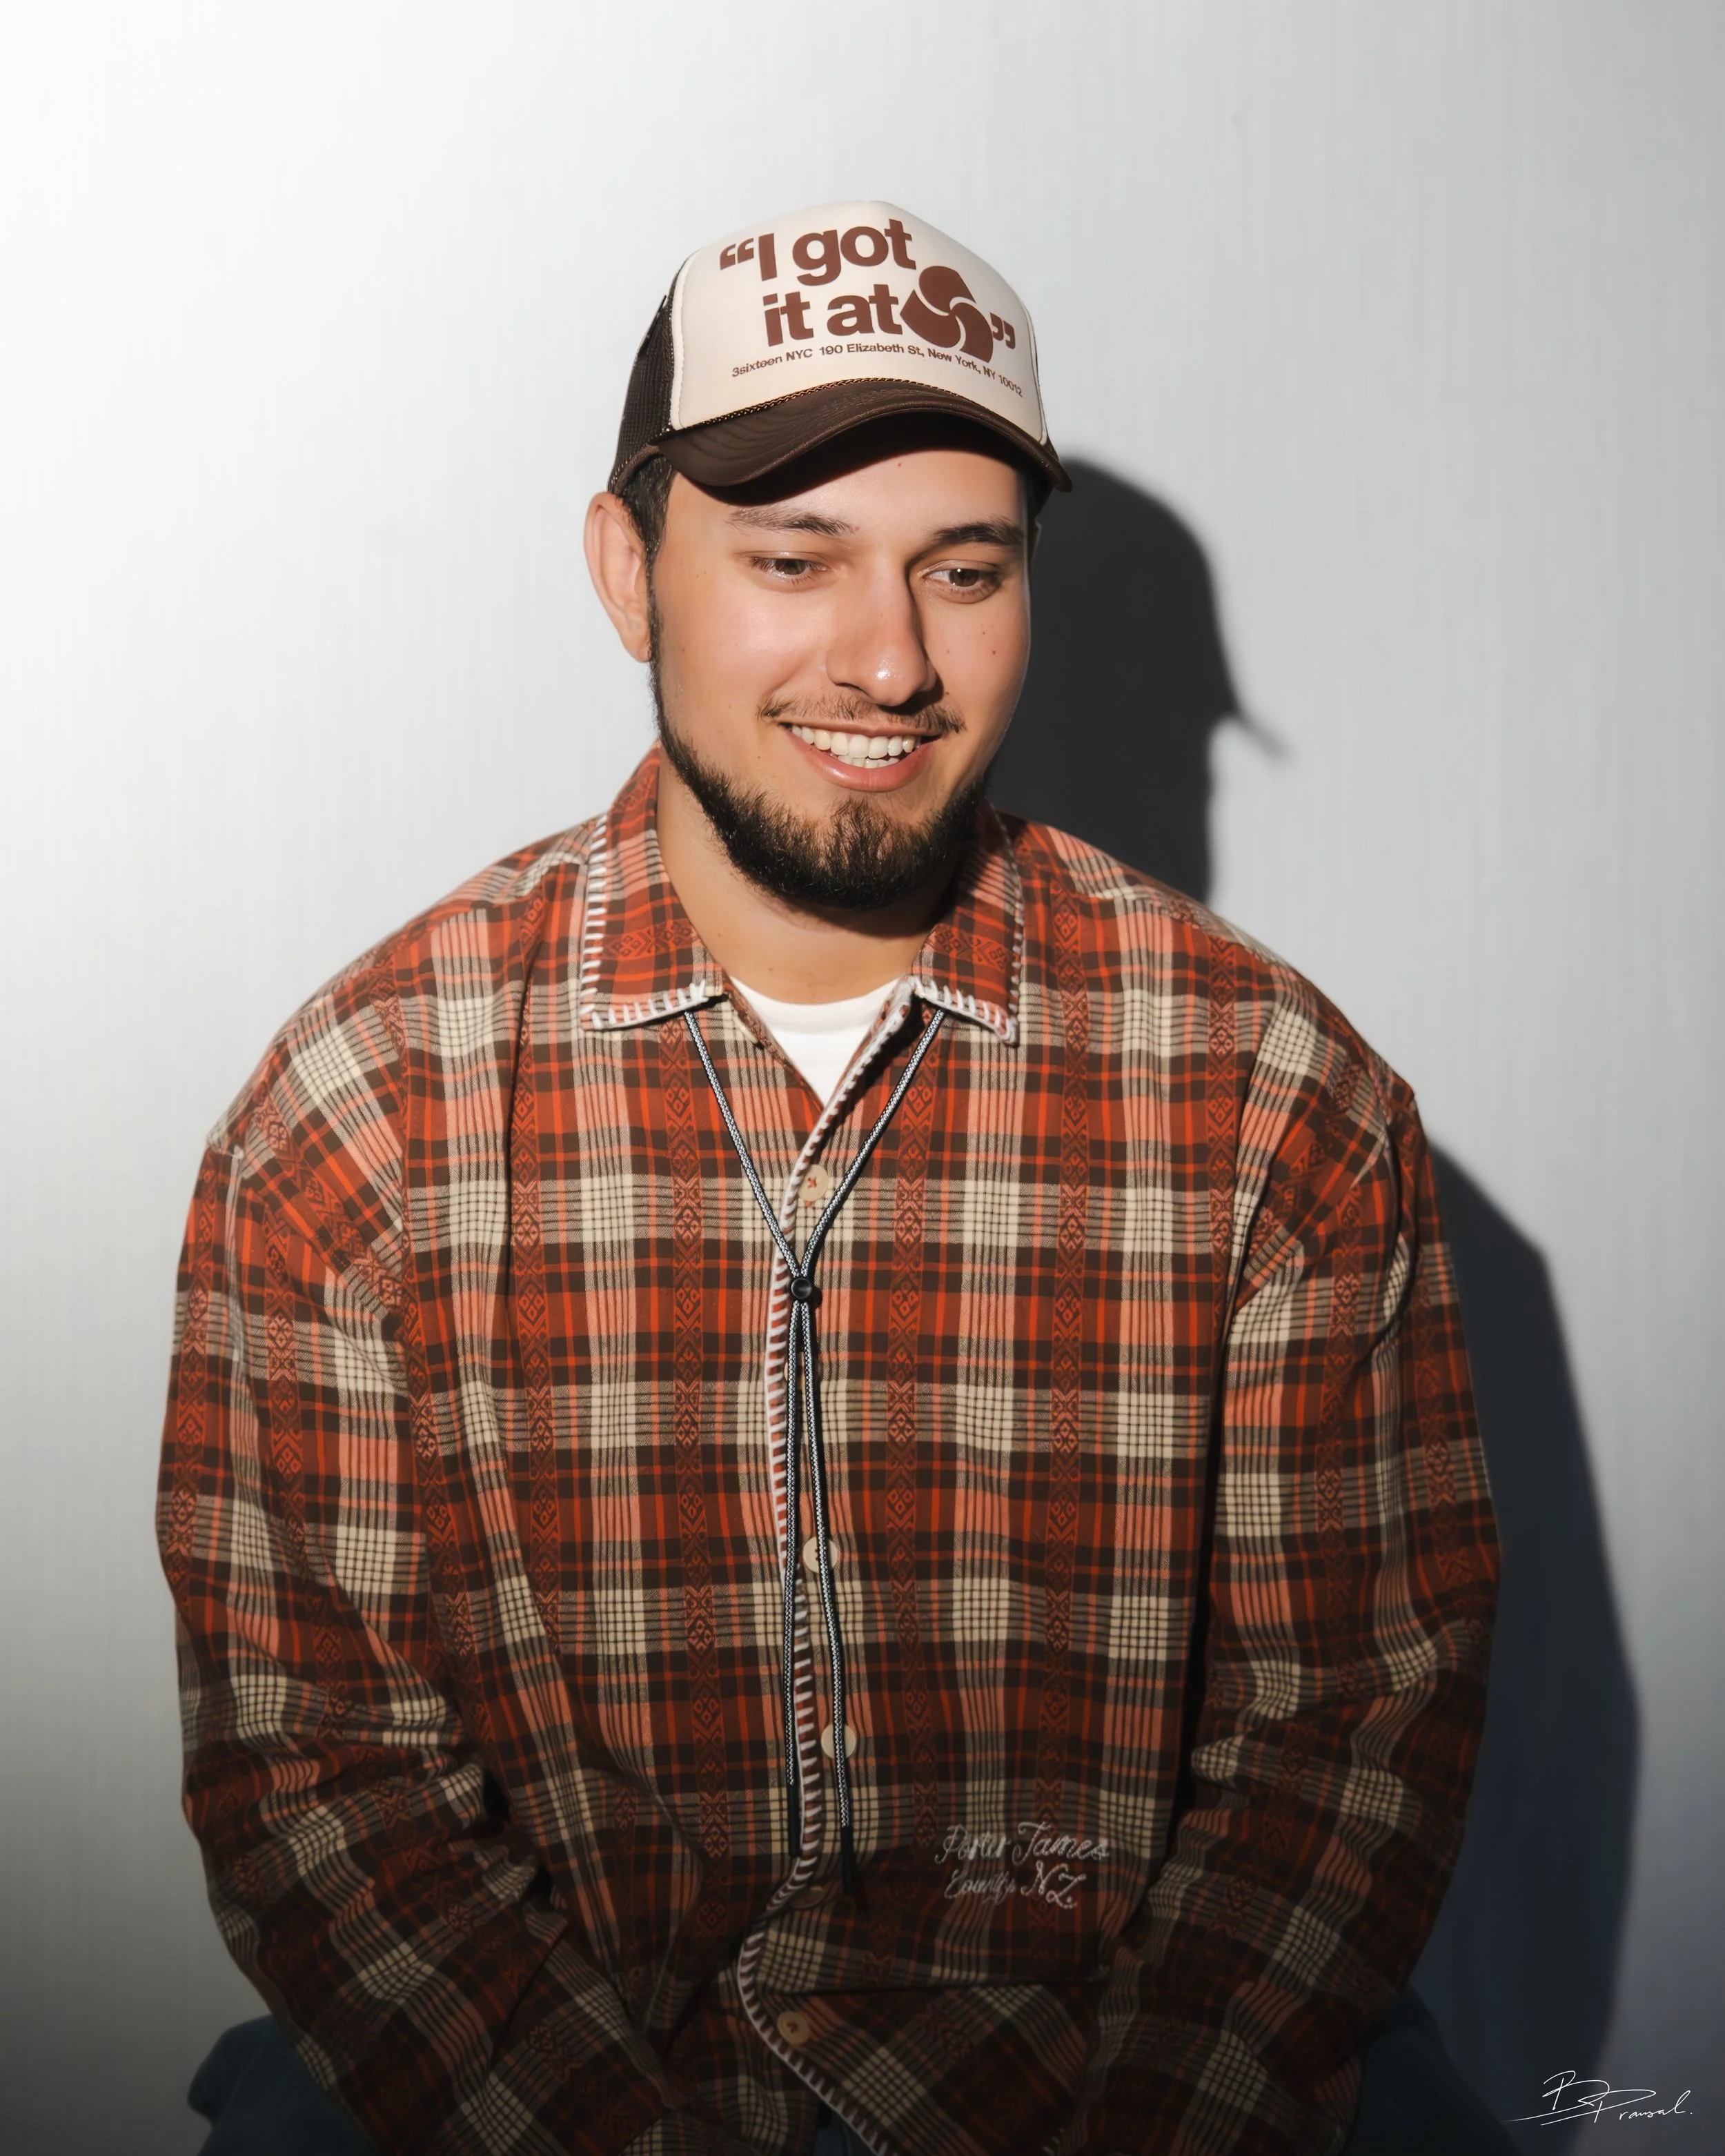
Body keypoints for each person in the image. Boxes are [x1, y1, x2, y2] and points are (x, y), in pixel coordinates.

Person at [159, 201, 1510, 2156]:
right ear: (630, 571)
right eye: (793, 560)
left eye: (965, 569)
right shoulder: (360, 1109)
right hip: (553, 2047)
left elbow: (1354, 1730)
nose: (889, 661)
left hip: (1115, 2042)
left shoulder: (1272, 1099)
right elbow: (319, 1775)